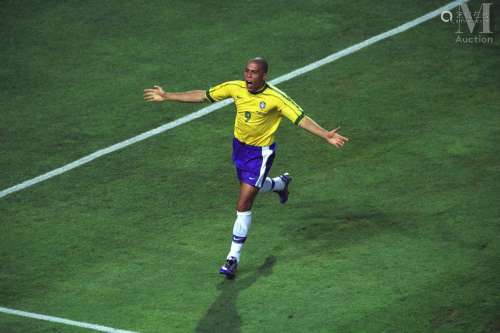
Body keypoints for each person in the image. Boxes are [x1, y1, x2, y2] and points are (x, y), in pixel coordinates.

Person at [143, 57, 348, 278]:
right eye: (247, 71)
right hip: (239, 148)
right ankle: (280, 184)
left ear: (264, 76)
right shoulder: (235, 87)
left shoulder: (276, 99)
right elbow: (203, 95)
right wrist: (167, 95)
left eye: (254, 72)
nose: (249, 76)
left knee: (243, 203)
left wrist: (325, 134)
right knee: (251, 187)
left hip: (260, 155)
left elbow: (301, 119)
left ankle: (233, 258)